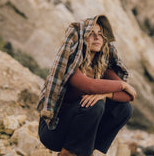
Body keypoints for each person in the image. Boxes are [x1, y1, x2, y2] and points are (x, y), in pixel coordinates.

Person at [37, 14, 137, 156]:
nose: (97, 37)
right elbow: (89, 86)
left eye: (100, 34)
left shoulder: (101, 68)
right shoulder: (71, 65)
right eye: (91, 34)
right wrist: (122, 85)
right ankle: (67, 153)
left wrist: (105, 94)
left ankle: (91, 151)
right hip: (53, 131)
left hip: (80, 130)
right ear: (83, 39)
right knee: (95, 105)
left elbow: (129, 96)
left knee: (124, 109)